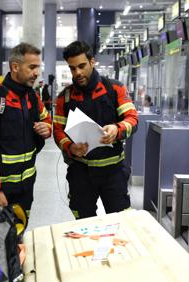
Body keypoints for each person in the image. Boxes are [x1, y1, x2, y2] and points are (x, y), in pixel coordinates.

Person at [53, 41, 139, 219]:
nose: (77, 73)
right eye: (72, 68)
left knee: (120, 223)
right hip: (81, 173)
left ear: (92, 62)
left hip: (113, 172)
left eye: (82, 66)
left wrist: (117, 129)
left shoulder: (114, 89)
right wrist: (70, 147)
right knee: (82, 224)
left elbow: (133, 119)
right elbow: (58, 131)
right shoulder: (65, 98)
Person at [0, 42, 51, 215]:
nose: (36, 73)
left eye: (38, 67)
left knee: (18, 236)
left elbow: (47, 118)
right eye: (32, 67)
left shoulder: (32, 97)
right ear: (15, 67)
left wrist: (47, 128)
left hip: (26, 188)